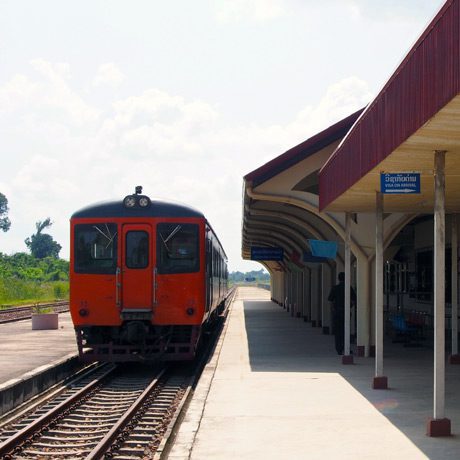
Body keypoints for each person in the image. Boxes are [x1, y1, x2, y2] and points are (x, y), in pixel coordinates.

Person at [328, 272, 356, 355]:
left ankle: (339, 349)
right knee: (346, 330)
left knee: (338, 331)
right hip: (346, 311)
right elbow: (354, 300)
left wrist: (333, 309)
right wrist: (350, 306)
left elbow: (330, 300)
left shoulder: (335, 288)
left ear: (338, 279)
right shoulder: (349, 288)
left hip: (337, 312)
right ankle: (346, 347)